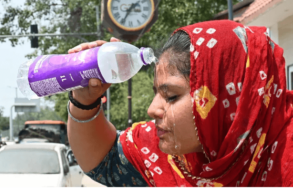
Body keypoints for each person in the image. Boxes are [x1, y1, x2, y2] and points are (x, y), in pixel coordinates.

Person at [66, 20, 293, 187]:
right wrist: (84, 99)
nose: (152, 109)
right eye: (157, 93)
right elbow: (104, 162)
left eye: (171, 96)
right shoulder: (169, 154)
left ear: (231, 100)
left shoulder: (285, 157)